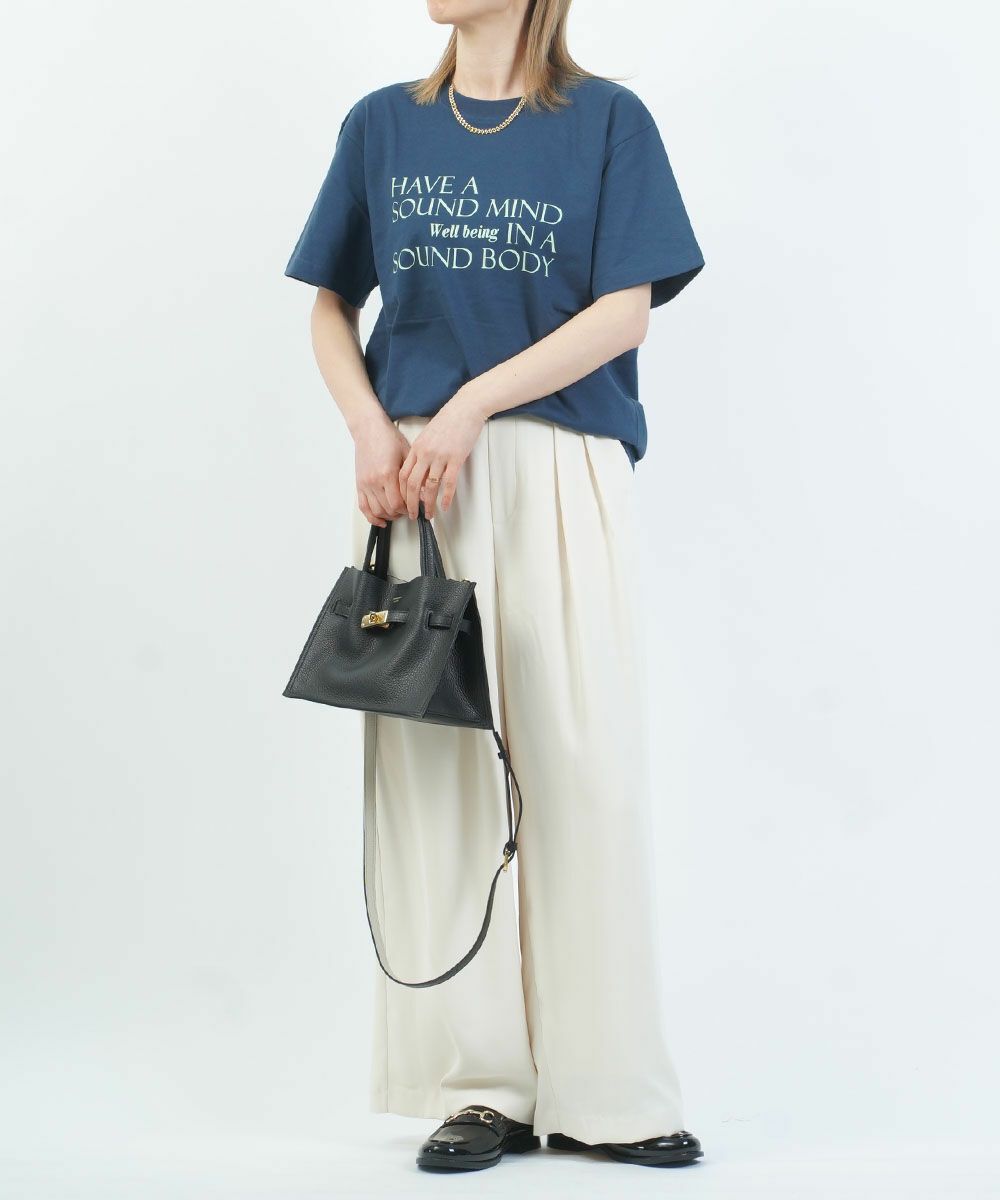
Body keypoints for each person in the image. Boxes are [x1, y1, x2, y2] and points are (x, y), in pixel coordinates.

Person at [283, 0, 705, 1173]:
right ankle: (482, 1088)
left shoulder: (608, 122)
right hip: (417, 481)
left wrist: (473, 402)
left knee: (580, 766)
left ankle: (610, 1089)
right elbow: (329, 303)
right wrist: (370, 426)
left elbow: (623, 312)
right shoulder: (382, 126)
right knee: (443, 781)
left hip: (556, 467)